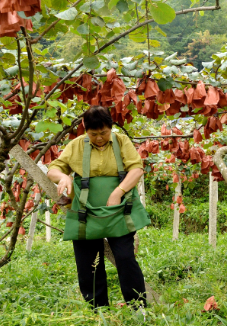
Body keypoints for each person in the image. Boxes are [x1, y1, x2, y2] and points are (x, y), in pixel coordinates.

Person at [48, 106, 148, 309]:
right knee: (88, 263)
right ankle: (98, 309)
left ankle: (138, 308)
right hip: (85, 211)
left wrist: (118, 191)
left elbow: (136, 169)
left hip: (119, 208)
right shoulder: (76, 145)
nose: (99, 138)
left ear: (110, 128)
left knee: (125, 257)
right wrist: (64, 176)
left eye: (103, 133)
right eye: (93, 134)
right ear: (86, 130)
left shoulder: (121, 142)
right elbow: (54, 169)